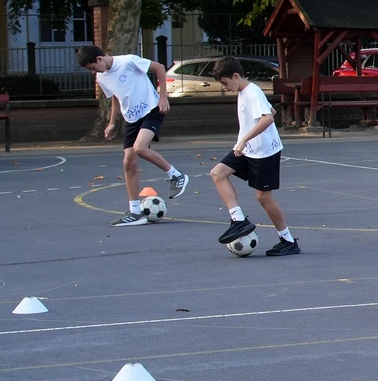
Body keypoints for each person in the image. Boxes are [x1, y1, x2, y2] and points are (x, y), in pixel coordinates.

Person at [77, 44, 189, 226]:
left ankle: (176, 175)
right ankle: (135, 212)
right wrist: (112, 122)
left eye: (93, 67)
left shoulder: (128, 61)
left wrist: (163, 97)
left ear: (99, 59)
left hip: (152, 109)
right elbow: (116, 96)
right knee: (128, 162)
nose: (93, 72)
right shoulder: (102, 77)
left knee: (140, 148)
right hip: (131, 118)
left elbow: (159, 68)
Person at [209, 57, 299, 256]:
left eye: (225, 83)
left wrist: (243, 140)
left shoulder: (252, 92)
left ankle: (288, 240)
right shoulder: (244, 92)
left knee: (263, 197)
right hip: (248, 149)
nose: (225, 87)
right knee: (218, 173)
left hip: (264, 152)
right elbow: (271, 110)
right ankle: (238, 220)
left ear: (235, 76)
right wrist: (243, 142)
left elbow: (267, 118)